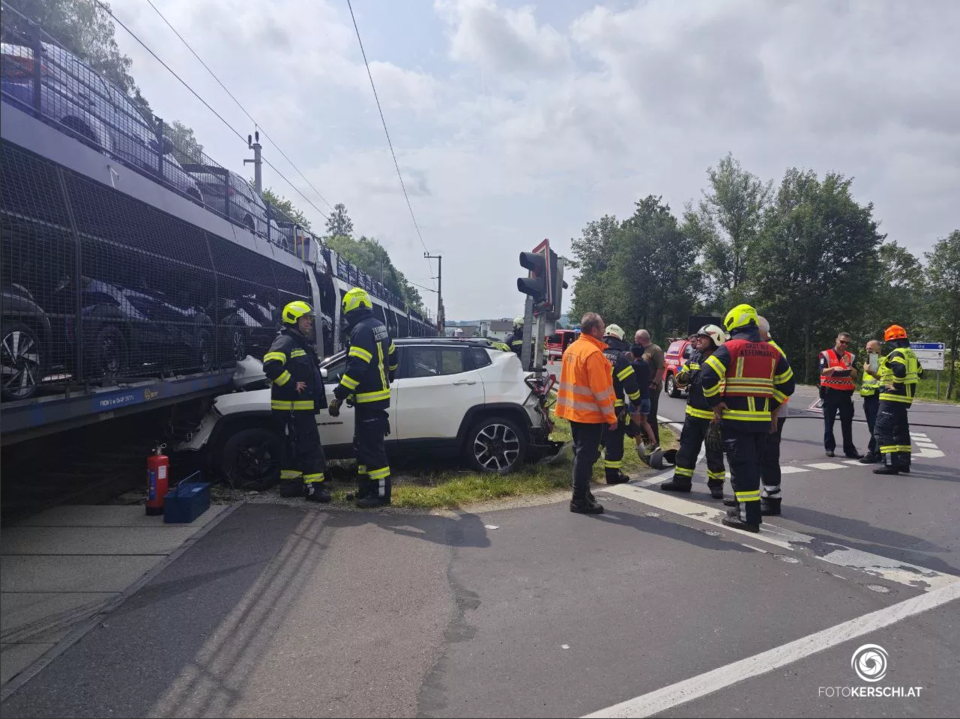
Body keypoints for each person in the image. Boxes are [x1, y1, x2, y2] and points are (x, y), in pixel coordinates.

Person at [701, 304, 795, 533]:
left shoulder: (731, 348)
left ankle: (747, 518)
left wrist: (715, 403)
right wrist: (771, 406)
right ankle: (747, 510)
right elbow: (788, 385)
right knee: (752, 467)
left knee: (742, 469)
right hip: (761, 421)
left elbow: (707, 374)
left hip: (736, 420)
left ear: (733, 324)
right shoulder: (772, 351)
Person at [328, 288, 398, 507]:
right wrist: (390, 376)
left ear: (351, 307)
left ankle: (380, 495)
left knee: (372, 449)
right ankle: (365, 489)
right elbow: (394, 355)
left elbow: (357, 368)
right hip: (374, 399)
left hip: (369, 399)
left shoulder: (360, 330)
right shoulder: (379, 327)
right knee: (361, 446)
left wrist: (339, 395)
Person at [263, 301, 329, 503]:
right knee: (310, 449)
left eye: (310, 318)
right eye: (306, 318)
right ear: (293, 320)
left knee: (292, 449)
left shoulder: (298, 342)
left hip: (298, 409)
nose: (309, 322)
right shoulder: (285, 342)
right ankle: (314, 489)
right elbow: (270, 365)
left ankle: (290, 486)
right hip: (294, 409)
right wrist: (292, 384)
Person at [555, 312, 619, 514]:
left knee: (581, 455)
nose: (604, 331)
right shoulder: (592, 353)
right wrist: (611, 417)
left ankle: (584, 494)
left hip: (575, 412)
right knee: (586, 457)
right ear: (594, 330)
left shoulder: (572, 349)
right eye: (602, 328)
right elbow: (600, 390)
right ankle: (579, 500)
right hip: (590, 415)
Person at [660, 324, 727, 499]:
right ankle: (681, 482)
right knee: (686, 451)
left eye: (702, 338)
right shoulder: (695, 357)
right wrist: (682, 377)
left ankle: (716, 486)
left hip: (713, 417)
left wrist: (718, 415)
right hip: (692, 414)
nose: (698, 340)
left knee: (714, 453)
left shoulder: (722, 360)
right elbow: (680, 382)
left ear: (715, 340)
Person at [873, 325, 922, 475]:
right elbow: (919, 372)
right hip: (904, 399)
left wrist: (895, 385)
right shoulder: (911, 354)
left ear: (892, 341)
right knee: (900, 430)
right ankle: (903, 462)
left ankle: (889, 464)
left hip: (891, 398)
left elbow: (899, 370)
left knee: (882, 430)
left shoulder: (897, 353)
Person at [599, 324, 643, 485]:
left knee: (594, 439)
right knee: (614, 442)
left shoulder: (595, 353)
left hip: (592, 406)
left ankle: (584, 470)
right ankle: (612, 474)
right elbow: (631, 385)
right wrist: (636, 402)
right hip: (614, 408)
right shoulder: (621, 359)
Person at [757, 316, 789, 516]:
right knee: (759, 454)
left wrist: (773, 413)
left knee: (769, 454)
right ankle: (752, 496)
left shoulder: (774, 350)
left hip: (774, 411)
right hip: (766, 410)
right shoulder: (764, 348)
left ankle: (772, 498)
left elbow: (785, 386)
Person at [819, 332, 863, 459]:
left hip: (845, 394)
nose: (844, 345)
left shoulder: (850, 356)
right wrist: (834, 368)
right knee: (829, 422)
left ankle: (849, 450)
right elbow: (822, 370)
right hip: (830, 392)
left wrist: (849, 366)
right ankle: (829, 448)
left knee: (847, 423)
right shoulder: (826, 354)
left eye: (847, 343)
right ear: (836, 340)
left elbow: (855, 376)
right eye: (842, 341)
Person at [634, 329, 665, 447]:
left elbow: (661, 368)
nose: (634, 340)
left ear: (641, 338)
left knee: (650, 416)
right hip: (641, 388)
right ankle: (645, 441)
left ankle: (654, 443)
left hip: (652, 388)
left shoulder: (655, 350)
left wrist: (654, 383)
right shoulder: (640, 349)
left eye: (636, 338)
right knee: (641, 415)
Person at [628, 344, 657, 455]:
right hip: (646, 397)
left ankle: (640, 448)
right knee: (644, 422)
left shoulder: (632, 365)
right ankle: (654, 442)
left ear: (632, 353)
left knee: (636, 425)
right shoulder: (645, 364)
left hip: (637, 399)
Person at [858, 339, 884, 464]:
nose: (868, 350)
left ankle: (873, 452)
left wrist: (870, 371)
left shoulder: (882, 361)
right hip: (868, 397)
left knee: (875, 427)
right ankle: (879, 452)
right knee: (872, 427)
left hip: (877, 396)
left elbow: (883, 378)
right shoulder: (869, 361)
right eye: (867, 348)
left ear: (879, 349)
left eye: (871, 348)